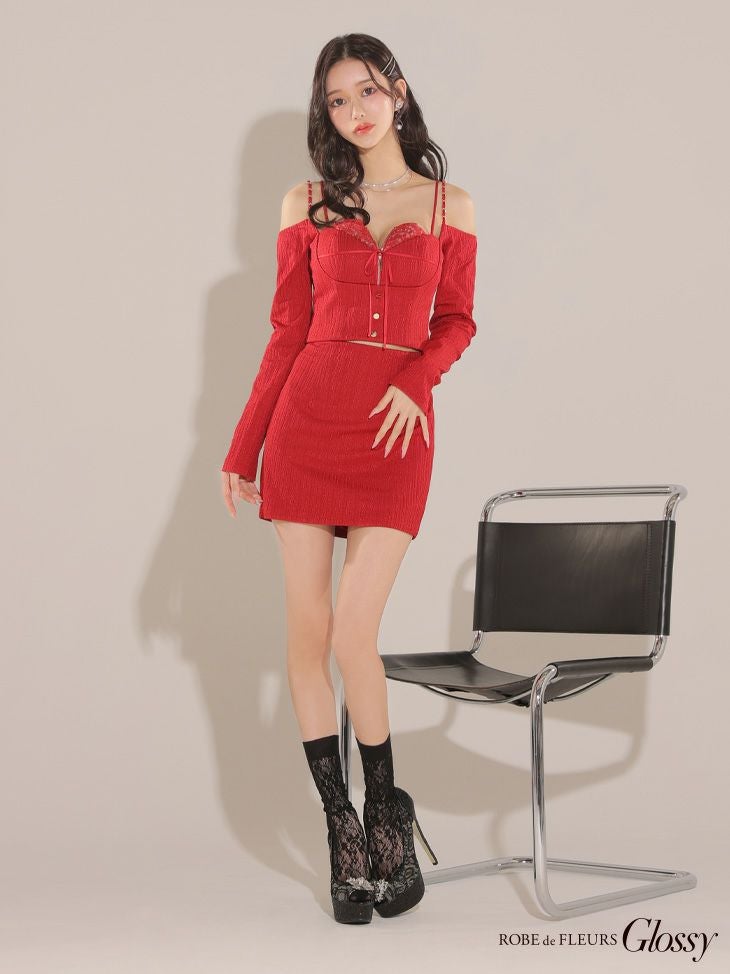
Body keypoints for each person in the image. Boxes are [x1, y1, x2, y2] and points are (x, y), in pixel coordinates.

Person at [220, 34, 478, 924]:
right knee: (309, 632)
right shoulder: (306, 202)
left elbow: (457, 320)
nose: (355, 111)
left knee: (353, 633)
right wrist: (243, 448)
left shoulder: (450, 205)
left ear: (398, 91)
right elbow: (287, 332)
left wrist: (416, 378)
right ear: (324, 112)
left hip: (395, 432)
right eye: (337, 99)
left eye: (367, 91)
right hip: (307, 425)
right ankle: (343, 829)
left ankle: (388, 813)